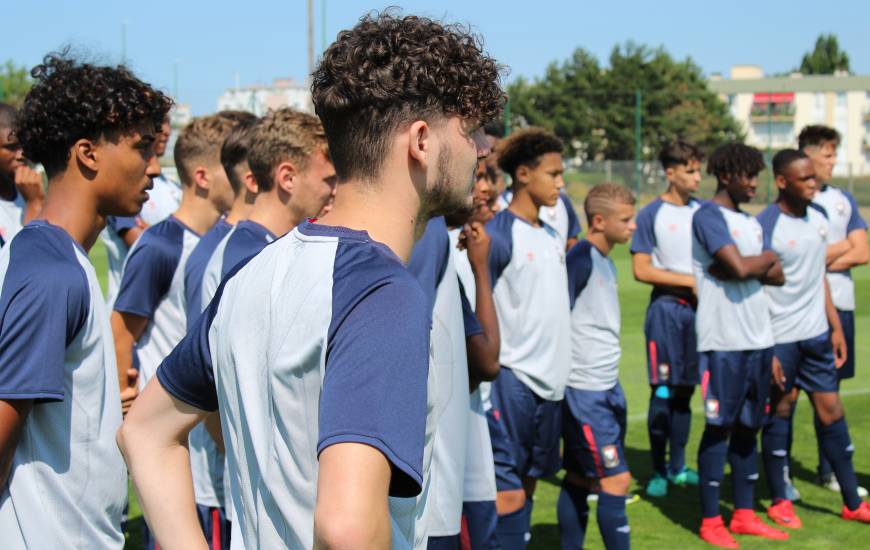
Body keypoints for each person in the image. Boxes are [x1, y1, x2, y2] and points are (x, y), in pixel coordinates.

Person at [117, 11, 504, 549]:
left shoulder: (254, 273)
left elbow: (144, 432)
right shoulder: (382, 292)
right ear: (421, 141)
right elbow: (345, 528)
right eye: (467, 132)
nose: (479, 151)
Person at [0, 53, 171, 548]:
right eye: (142, 148)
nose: (155, 168)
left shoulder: (60, 258)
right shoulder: (52, 273)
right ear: (87, 154)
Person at [759, 149, 870, 529]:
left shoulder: (820, 218)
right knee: (780, 411)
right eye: (805, 179)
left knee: (832, 411)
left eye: (814, 178)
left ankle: (853, 501)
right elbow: (756, 290)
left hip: (817, 336)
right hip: (781, 340)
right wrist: (768, 347)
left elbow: (815, 275)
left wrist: (835, 326)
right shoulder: (766, 226)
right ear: (782, 181)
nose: (813, 184)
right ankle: (779, 499)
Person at [693, 143, 789, 548]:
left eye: (756, 175)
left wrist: (756, 261)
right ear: (727, 175)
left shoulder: (750, 224)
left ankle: (745, 515)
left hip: (759, 339)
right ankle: (711, 519)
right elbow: (739, 267)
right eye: (747, 175)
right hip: (723, 341)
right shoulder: (708, 216)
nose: (754, 183)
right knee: (720, 427)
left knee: (751, 426)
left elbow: (777, 275)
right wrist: (754, 263)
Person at [487, 127, 571, 548]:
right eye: (553, 174)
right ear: (523, 174)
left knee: (531, 479)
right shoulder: (500, 235)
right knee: (506, 488)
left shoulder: (553, 235)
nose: (561, 183)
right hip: (513, 380)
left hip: (552, 383)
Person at [181, 112, 258, 550]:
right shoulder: (220, 252)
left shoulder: (252, 242)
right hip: (224, 477)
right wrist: (238, 449)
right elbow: (202, 369)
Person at [558, 183, 635, 550]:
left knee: (578, 477)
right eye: (627, 219)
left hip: (606, 386)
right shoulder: (581, 259)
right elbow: (557, 317)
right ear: (600, 221)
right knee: (616, 480)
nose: (633, 226)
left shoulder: (605, 261)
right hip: (584, 391)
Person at [200, 108, 336, 307]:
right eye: (329, 180)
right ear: (287, 178)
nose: (335, 190)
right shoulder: (246, 257)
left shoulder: (272, 246)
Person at [630, 140, 702, 497]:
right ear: (670, 173)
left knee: (686, 392)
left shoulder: (705, 212)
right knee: (662, 389)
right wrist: (690, 280)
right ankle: (658, 469)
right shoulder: (650, 214)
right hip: (666, 312)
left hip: (699, 315)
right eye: (690, 170)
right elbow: (641, 269)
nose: (698, 177)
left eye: (699, 169)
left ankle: (679, 465)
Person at [801, 125, 869, 496]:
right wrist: (825, 256)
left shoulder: (842, 200)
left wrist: (816, 259)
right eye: (827, 155)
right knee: (789, 394)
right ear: (807, 156)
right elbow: (797, 259)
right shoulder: (798, 204)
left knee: (833, 389)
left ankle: (829, 471)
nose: (833, 162)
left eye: (833, 154)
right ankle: (777, 476)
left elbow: (863, 251)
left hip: (841, 306)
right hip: (805, 310)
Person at [0, 102, 45, 245]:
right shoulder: (32, 200)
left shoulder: (29, 192)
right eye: (11, 147)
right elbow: (24, 263)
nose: (21, 154)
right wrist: (34, 206)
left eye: (23, 145)